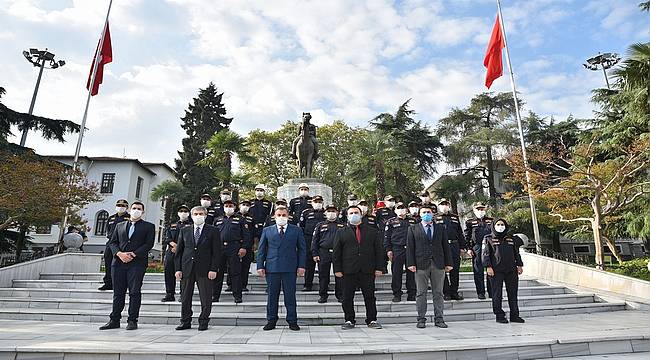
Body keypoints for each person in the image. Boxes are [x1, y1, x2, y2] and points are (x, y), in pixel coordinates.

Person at [100, 201, 154, 331]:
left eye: (139, 209)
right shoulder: (120, 225)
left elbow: (148, 244)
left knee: (134, 292)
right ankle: (114, 319)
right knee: (118, 293)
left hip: (137, 264)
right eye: (134, 208)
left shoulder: (149, 226)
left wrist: (134, 254)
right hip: (118, 263)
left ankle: (132, 320)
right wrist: (119, 254)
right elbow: (112, 242)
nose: (136, 210)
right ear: (130, 210)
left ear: (143, 211)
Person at [333, 206, 384, 330]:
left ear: (361, 215)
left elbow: (379, 251)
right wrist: (337, 269)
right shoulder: (341, 232)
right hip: (348, 270)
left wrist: (379, 268)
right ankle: (349, 320)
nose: (354, 215)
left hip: (367, 269)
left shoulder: (372, 231)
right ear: (347, 216)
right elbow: (336, 252)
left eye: (356, 212)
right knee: (347, 297)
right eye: (351, 213)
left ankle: (371, 319)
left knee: (370, 296)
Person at [257, 206, 306, 331]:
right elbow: (261, 249)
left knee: (290, 296)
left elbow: (302, 249)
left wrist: (301, 266)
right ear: (274, 216)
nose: (281, 217)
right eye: (279, 215)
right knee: (272, 296)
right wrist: (260, 266)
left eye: (284, 215)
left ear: (288, 216)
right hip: (272, 268)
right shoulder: (267, 230)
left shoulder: (296, 230)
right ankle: (271, 320)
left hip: (290, 268)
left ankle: (292, 321)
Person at [174, 206, 222, 331]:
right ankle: (185, 321)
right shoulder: (184, 230)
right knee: (185, 297)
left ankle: (203, 321)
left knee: (206, 297)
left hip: (205, 269)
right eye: (196, 213)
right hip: (187, 268)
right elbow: (179, 251)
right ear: (191, 215)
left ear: (206, 215)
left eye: (201, 213)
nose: (198, 216)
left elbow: (217, 252)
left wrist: (214, 269)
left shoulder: (213, 230)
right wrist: (178, 269)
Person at [406, 205, 453, 329]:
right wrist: (410, 263)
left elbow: (445, 247)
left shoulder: (440, 228)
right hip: (421, 264)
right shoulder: (413, 228)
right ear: (420, 214)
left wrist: (449, 263)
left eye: (429, 212)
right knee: (421, 293)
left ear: (433, 214)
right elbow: (410, 248)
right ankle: (421, 319)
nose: (427, 214)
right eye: (424, 212)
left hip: (438, 264)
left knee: (438, 292)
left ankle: (439, 319)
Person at [482, 218, 525, 324]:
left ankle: (515, 315)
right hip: (496, 270)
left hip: (511, 270)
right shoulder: (488, 238)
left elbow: (516, 253)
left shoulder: (511, 239)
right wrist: (488, 266)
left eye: (502, 224)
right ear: (494, 226)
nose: (500, 226)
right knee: (497, 294)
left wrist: (519, 265)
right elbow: (485, 254)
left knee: (513, 293)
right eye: (498, 224)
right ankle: (499, 315)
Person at [212, 200, 251, 303]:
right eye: (226, 205)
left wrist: (243, 248)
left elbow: (247, 235)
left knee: (235, 272)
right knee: (218, 272)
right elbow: (212, 235)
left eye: (231, 205)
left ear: (234, 207)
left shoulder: (241, 219)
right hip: (219, 248)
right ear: (223, 207)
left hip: (234, 247)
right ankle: (215, 296)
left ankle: (237, 296)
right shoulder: (217, 220)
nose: (228, 207)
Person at [384, 202, 417, 302]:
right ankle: (397, 294)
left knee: (411, 272)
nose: (401, 210)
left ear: (406, 210)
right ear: (395, 210)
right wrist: (388, 249)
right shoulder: (391, 221)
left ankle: (411, 293)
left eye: (403, 208)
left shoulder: (413, 221)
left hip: (411, 249)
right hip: (397, 249)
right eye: (399, 208)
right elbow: (386, 237)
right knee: (396, 273)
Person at [311, 204, 343, 303]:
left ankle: (340, 295)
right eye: (329, 211)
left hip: (339, 253)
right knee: (323, 275)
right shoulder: (320, 225)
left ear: (337, 213)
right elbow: (314, 240)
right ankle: (323, 295)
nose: (331, 213)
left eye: (333, 211)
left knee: (340, 275)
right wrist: (314, 253)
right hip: (323, 252)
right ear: (325, 213)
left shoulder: (343, 225)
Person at [161, 205, 192, 302]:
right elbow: (166, 237)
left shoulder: (191, 225)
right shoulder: (172, 225)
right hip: (172, 251)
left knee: (185, 274)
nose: (183, 213)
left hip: (185, 252)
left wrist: (179, 248)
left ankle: (183, 294)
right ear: (178, 213)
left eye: (185, 211)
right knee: (169, 272)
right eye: (181, 211)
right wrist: (173, 245)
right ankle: (170, 294)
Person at [437, 198, 466, 301]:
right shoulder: (435, 217)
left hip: (454, 245)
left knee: (455, 270)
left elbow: (460, 233)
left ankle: (454, 291)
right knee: (442, 270)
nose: (444, 206)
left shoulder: (455, 217)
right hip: (441, 247)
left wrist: (462, 247)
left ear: (449, 206)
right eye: (442, 204)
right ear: (439, 205)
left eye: (446, 204)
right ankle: (446, 292)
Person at [98, 199, 130, 291]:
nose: (121, 207)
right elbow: (108, 229)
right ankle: (108, 283)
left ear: (127, 207)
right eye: (119, 205)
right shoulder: (111, 218)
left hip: (123, 244)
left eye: (123, 206)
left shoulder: (129, 218)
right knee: (108, 262)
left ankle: (122, 283)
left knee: (121, 264)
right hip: (111, 243)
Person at [464, 202, 494, 300]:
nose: (481, 211)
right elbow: (467, 236)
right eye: (478, 209)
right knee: (478, 271)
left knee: (491, 269)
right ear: (474, 210)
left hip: (489, 247)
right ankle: (480, 292)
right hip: (477, 247)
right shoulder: (470, 222)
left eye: (482, 209)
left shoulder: (491, 220)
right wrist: (468, 248)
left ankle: (492, 291)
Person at [299, 195, 325, 291]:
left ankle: (324, 285)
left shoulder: (327, 212)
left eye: (319, 201)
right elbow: (301, 226)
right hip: (309, 240)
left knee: (323, 266)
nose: (318, 203)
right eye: (316, 201)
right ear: (312, 202)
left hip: (323, 241)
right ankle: (307, 284)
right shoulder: (306, 212)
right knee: (309, 264)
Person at [234, 199, 255, 292]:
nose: (245, 206)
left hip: (247, 244)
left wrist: (254, 243)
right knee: (233, 266)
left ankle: (243, 285)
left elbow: (253, 232)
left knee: (245, 266)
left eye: (247, 205)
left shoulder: (252, 217)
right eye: (243, 204)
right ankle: (231, 285)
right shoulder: (234, 216)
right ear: (239, 205)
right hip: (235, 244)